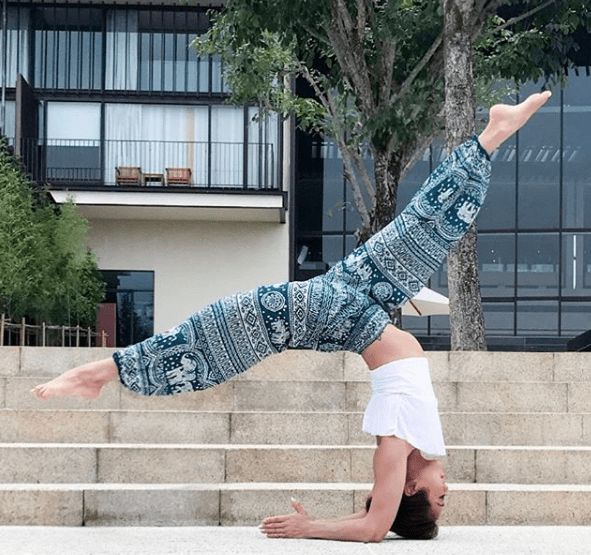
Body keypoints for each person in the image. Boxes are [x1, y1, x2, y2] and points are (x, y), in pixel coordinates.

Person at [31, 91, 552, 542]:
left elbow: (374, 527)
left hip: (345, 317)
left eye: (439, 502)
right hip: (360, 303)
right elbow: (374, 515)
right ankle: (491, 133)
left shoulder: (397, 448)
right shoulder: (413, 442)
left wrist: (312, 526)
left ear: (410, 489)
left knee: (232, 328)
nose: (447, 493)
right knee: (424, 231)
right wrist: (363, 514)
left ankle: (102, 372)